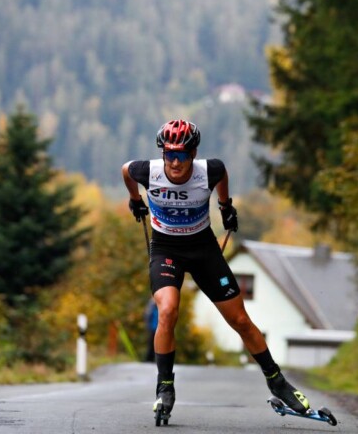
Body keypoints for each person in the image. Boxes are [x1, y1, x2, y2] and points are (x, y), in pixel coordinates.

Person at [121, 119, 311, 420]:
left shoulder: (209, 171)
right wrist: (135, 200)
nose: (174, 162)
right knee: (168, 309)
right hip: (166, 248)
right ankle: (165, 387)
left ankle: (277, 381)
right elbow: (126, 171)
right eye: (169, 153)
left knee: (240, 320)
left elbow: (222, 174)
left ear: (193, 153)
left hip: (203, 249)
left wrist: (225, 206)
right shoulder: (148, 171)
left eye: (182, 155)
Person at [143, 297, 159, 362]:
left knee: (158, 345)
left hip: (159, 329)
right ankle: (149, 359)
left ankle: (158, 360)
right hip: (152, 328)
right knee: (151, 344)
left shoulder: (161, 308)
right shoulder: (151, 307)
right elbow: (147, 315)